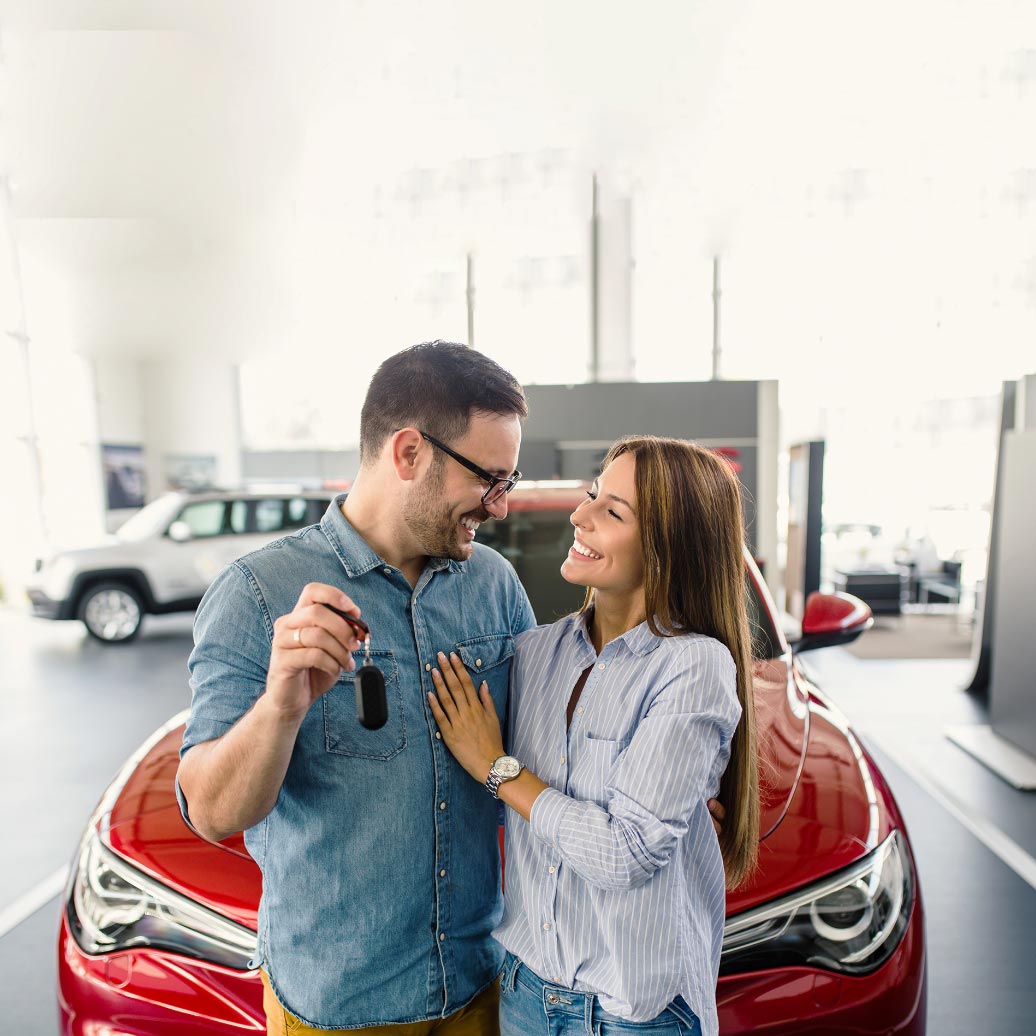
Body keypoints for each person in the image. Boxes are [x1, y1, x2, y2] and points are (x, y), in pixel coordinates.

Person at [175, 341, 535, 1035]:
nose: (500, 507)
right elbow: (211, 810)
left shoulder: (494, 586)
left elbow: (551, 747)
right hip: (339, 1010)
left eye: (508, 482)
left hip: (485, 986)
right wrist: (282, 705)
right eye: (489, 481)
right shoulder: (256, 595)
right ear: (408, 453)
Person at [427, 435, 760, 1036]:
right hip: (526, 995)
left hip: (633, 1015)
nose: (580, 516)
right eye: (591, 496)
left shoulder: (693, 666)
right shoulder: (534, 653)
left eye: (612, 512)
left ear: (667, 548)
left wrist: (497, 768)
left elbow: (624, 853)